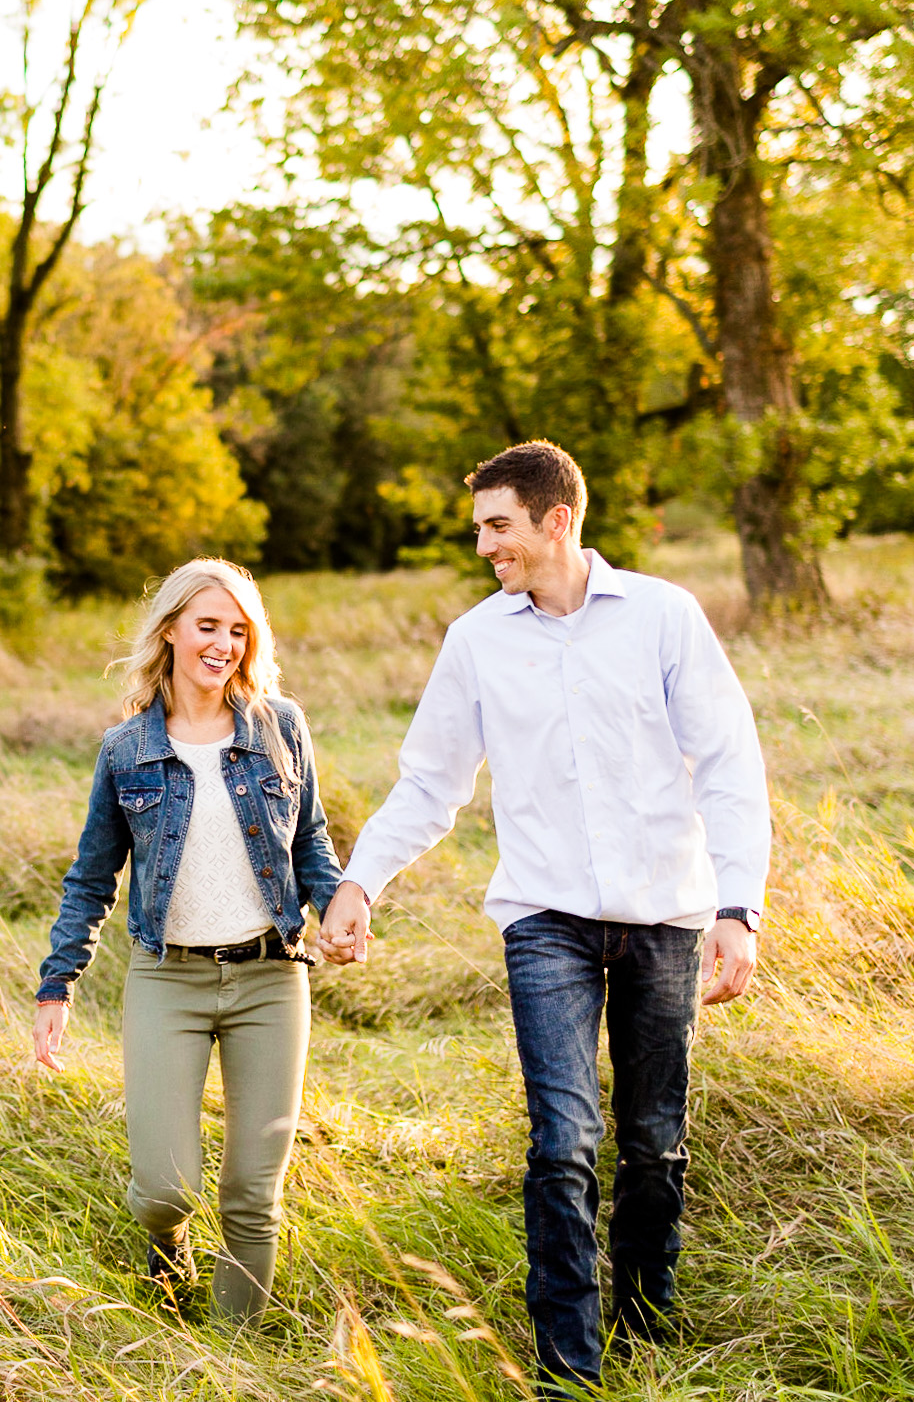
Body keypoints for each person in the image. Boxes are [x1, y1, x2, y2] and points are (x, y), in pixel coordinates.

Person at [320, 441, 769, 1393]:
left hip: (666, 915)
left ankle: (646, 1318)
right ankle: (571, 1365)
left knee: (653, 1140)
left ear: (556, 518)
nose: (485, 545)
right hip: (545, 921)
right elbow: (430, 783)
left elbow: (729, 762)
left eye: (497, 525)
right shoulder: (477, 640)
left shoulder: (662, 617)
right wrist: (360, 882)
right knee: (562, 1140)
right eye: (482, 527)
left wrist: (739, 907)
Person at [32, 557, 344, 1322]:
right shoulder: (126, 749)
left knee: (251, 1192)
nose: (224, 644)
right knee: (166, 1186)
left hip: (271, 978)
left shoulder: (281, 725)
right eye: (208, 626)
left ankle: (233, 1357)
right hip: (167, 980)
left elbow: (311, 841)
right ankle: (165, 1246)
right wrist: (56, 984)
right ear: (170, 630)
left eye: (239, 630)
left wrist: (338, 904)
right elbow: (91, 877)